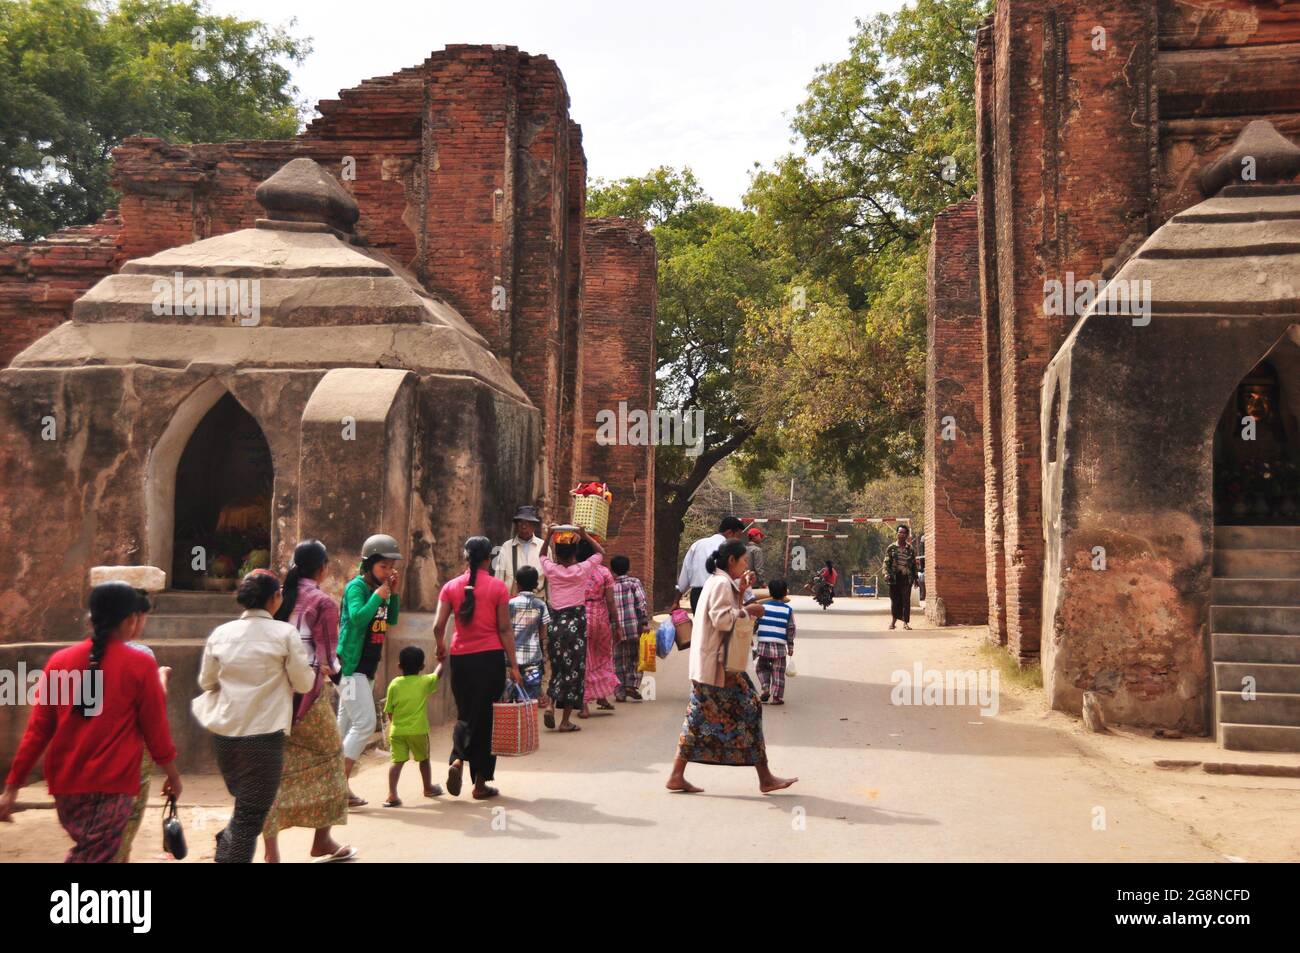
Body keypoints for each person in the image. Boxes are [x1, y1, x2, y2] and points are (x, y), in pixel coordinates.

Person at [1, 582, 182, 862]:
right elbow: (155, 731)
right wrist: (172, 775)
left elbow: (37, 732)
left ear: (91, 619)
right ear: (130, 620)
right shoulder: (140, 665)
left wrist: (12, 787)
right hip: (113, 785)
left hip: (66, 789)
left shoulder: (59, 662)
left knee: (93, 854)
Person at [193, 569, 315, 863]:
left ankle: (226, 845)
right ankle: (227, 852)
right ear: (275, 598)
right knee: (249, 818)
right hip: (263, 738)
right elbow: (304, 683)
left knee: (245, 809)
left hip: (225, 737)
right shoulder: (284, 633)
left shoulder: (221, 634)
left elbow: (206, 683)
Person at [665, 540, 797, 795]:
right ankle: (765, 777)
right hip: (719, 666)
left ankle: (676, 775)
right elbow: (723, 619)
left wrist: (741, 592)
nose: (746, 564)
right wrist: (751, 610)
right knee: (750, 709)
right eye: (744, 560)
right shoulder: (722, 584)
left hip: (710, 665)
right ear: (732, 561)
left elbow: (725, 611)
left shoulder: (719, 582)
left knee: (697, 719)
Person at [262, 539, 355, 864]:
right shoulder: (322, 602)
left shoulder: (278, 595)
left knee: (270, 772)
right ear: (323, 568)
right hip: (307, 696)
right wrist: (349, 688)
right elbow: (329, 659)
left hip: (272, 697)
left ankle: (271, 853)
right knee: (332, 756)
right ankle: (322, 839)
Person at [434, 536, 520, 799]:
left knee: (465, 714)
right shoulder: (498, 588)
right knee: (486, 720)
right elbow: (505, 629)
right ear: (488, 559)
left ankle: (458, 759)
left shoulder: (450, 587)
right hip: (490, 659)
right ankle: (480, 784)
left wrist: (440, 647)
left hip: (461, 658)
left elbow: (438, 626)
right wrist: (514, 665)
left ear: (465, 557)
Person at [336, 533, 403, 807]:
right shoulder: (357, 588)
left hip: (367, 667)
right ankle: (338, 786)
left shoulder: (382, 590)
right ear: (369, 565)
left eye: (390, 567)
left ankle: (330, 782)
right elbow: (358, 619)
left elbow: (392, 619)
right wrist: (378, 595)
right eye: (382, 567)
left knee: (345, 727)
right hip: (351, 668)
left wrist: (392, 594)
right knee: (364, 723)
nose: (387, 572)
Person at [116, 589, 172, 863]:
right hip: (133, 753)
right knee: (129, 813)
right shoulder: (142, 655)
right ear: (133, 619)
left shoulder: (80, 656)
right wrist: (162, 676)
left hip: (95, 755)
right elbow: (155, 706)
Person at [539, 524, 605, 732]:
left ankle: (550, 704)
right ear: (575, 553)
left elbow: (542, 555)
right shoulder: (582, 570)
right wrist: (584, 535)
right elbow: (601, 553)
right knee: (573, 672)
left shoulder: (551, 569)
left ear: (556, 554)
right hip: (576, 625)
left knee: (557, 667)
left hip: (556, 624)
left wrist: (549, 534)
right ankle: (565, 720)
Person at [383, 646, 443, 807]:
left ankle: (392, 794)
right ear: (422, 667)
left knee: (396, 762)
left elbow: (389, 710)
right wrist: (441, 661)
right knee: (424, 759)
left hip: (397, 731)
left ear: (399, 666)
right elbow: (437, 675)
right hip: (418, 731)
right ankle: (428, 788)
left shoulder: (394, 684)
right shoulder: (423, 682)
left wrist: (395, 723)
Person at [580, 538, 619, 718]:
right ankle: (602, 695)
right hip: (600, 617)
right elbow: (610, 601)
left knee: (585, 659)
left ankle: (584, 704)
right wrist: (616, 623)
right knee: (603, 656)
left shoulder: (576, 571)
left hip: (580, 617)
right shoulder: (604, 572)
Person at [676, 516, 746, 613]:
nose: (738, 540)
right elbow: (736, 574)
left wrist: (676, 601)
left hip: (697, 596)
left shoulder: (698, 544)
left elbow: (685, 574)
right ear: (730, 533)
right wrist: (748, 597)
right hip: (719, 594)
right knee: (721, 625)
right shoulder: (730, 549)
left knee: (701, 626)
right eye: (738, 536)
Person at [508, 566, 550, 703]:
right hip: (533, 658)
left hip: (512, 658)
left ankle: (515, 724)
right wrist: (544, 653)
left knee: (513, 697)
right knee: (530, 698)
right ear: (536, 584)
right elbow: (543, 632)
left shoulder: (509, 604)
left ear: (517, 584)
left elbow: (504, 629)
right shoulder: (541, 605)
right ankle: (528, 723)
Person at [610, 555, 649, 702]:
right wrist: (644, 622)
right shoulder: (634, 583)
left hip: (615, 629)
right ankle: (631, 685)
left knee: (618, 659)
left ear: (612, 569)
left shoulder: (609, 585)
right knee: (636, 657)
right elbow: (641, 603)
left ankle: (619, 690)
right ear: (628, 568)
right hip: (634, 627)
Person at [754, 579, 796, 705]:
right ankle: (777, 697)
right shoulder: (787, 610)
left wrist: (750, 638)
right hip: (780, 647)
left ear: (770, 592)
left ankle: (765, 687)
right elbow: (790, 629)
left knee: (761, 668)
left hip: (763, 645)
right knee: (778, 672)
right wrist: (791, 647)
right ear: (784, 594)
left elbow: (754, 624)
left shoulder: (762, 607)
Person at [494, 505, 546, 599]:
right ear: (516, 525)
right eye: (520, 522)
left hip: (537, 603)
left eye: (528, 523)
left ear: (534, 525)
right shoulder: (507, 547)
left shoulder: (543, 547)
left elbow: (549, 579)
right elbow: (499, 577)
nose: (524, 526)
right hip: (511, 602)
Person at [883, 525, 919, 630]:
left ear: (907, 535)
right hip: (894, 578)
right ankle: (893, 621)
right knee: (895, 600)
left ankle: (905, 623)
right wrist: (886, 573)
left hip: (907, 578)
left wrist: (916, 578)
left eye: (904, 533)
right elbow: (886, 562)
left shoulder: (910, 549)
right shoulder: (891, 548)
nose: (901, 534)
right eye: (900, 532)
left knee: (906, 600)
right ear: (897, 533)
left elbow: (913, 565)